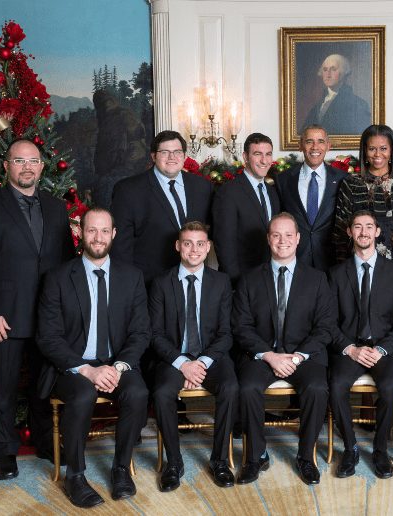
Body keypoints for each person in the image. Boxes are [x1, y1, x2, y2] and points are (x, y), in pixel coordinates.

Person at [0, 138, 74, 480]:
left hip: (48, 317)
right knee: (3, 387)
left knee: (45, 387)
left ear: (42, 166)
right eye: (19, 161)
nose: (27, 167)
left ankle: (44, 442)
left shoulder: (56, 207)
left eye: (33, 161)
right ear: (7, 166)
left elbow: (67, 264)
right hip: (4, 316)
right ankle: (6, 452)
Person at [36, 207, 150, 509]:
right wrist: (86, 369)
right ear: (80, 233)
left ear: (113, 234)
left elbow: (141, 332)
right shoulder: (58, 278)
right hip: (72, 366)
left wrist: (118, 366)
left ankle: (121, 468)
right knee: (84, 394)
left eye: (104, 231)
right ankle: (75, 475)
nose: (97, 237)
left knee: (138, 391)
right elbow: (48, 336)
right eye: (91, 230)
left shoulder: (132, 276)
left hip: (116, 362)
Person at [232, 213, 334, 486]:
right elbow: (241, 326)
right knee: (248, 387)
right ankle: (256, 456)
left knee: (316, 388)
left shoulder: (317, 279)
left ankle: (305, 457)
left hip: (304, 355)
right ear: (268, 239)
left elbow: (325, 327)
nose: (282, 241)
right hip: (263, 354)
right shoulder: (249, 279)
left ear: (298, 239)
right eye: (276, 235)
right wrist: (269, 356)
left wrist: (299, 356)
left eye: (289, 235)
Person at [149, 221, 239, 491]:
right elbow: (154, 334)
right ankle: (174, 462)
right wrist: (183, 364)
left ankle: (220, 460)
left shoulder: (221, 282)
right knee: (163, 392)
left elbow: (226, 333)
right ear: (178, 246)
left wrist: (201, 363)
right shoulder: (161, 283)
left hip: (210, 357)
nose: (194, 249)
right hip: (174, 357)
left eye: (200, 243)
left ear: (208, 247)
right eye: (187, 243)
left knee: (231, 386)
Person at [328, 210, 393, 480]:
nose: (363, 232)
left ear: (377, 232)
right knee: (336, 385)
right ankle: (350, 448)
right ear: (349, 232)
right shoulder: (336, 274)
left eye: (369, 227)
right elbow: (328, 323)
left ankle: (380, 449)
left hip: (384, 348)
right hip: (350, 348)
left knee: (387, 388)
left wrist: (382, 349)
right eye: (357, 227)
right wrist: (350, 349)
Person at [111, 130, 213, 285]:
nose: (172, 157)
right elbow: (120, 247)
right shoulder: (128, 190)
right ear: (153, 156)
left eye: (177, 152)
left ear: (185, 156)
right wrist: (130, 287)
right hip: (149, 283)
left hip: (195, 281)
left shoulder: (202, 187)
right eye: (165, 152)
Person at [333, 124, 393, 273]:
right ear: (365, 151)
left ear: (392, 150)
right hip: (358, 267)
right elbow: (340, 232)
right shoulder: (351, 183)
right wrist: (344, 270)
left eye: (383, 148)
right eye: (372, 149)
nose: (377, 154)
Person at [212, 132, 281, 286]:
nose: (264, 160)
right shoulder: (228, 192)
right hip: (241, 281)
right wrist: (236, 284)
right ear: (245, 157)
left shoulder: (272, 192)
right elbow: (224, 245)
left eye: (268, 154)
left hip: (270, 278)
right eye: (257, 154)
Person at [276, 124, 348, 271]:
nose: (315, 147)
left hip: (332, 262)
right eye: (309, 141)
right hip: (295, 260)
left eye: (321, 141)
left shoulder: (342, 179)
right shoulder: (283, 179)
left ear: (328, 146)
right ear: (300, 145)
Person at [300, 54, 371, 135]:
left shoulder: (359, 104)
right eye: (325, 69)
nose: (328, 74)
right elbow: (304, 133)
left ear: (344, 72)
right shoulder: (318, 105)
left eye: (333, 69)